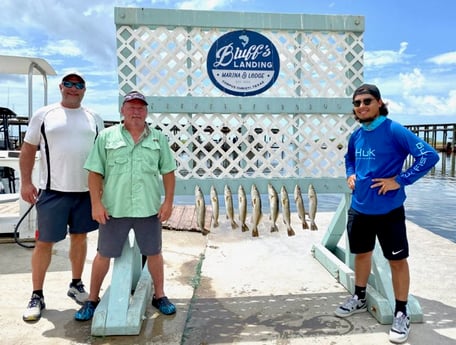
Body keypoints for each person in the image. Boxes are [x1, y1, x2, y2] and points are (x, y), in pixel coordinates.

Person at [334, 84, 439, 344]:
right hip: (359, 209)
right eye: (357, 103)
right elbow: (349, 158)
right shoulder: (356, 135)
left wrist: (401, 180)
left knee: (397, 261)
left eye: (366, 101)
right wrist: (350, 173)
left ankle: (401, 312)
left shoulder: (394, 129)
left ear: (379, 102)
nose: (361, 106)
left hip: (388, 210)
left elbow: (429, 156)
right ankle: (359, 296)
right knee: (361, 254)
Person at [74, 91, 177, 321]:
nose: (136, 111)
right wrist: (96, 204)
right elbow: (94, 172)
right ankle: (92, 299)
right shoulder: (106, 137)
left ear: (147, 111)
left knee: (154, 253)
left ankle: (159, 295)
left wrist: (168, 201)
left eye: (141, 107)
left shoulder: (159, 139)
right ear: (122, 110)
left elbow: (168, 172)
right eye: (131, 107)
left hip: (148, 210)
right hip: (114, 211)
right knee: (103, 254)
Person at [20, 72, 104, 321]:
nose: (73, 88)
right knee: (44, 243)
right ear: (61, 87)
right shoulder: (44, 114)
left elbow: (102, 156)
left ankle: (76, 284)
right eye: (68, 83)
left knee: (80, 238)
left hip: (85, 192)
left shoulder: (94, 118)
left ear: (84, 90)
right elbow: (28, 149)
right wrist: (25, 182)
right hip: (52, 191)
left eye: (78, 85)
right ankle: (37, 294)